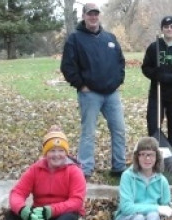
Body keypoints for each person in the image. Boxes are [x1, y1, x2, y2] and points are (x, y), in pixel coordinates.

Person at [0, 125, 86, 220]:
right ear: (46, 153)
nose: (56, 155)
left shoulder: (74, 171)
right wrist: (23, 210)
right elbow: (17, 193)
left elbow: (76, 201)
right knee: (14, 214)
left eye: (61, 151)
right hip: (38, 212)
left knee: (70, 217)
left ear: (66, 152)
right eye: (52, 151)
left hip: (60, 214)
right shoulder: (35, 169)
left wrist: (50, 210)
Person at [60, 2, 126, 179]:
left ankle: (119, 166)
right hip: (90, 94)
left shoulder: (110, 38)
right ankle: (85, 168)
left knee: (119, 129)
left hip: (111, 94)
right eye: (90, 14)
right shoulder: (75, 39)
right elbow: (67, 66)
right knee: (88, 132)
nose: (93, 17)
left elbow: (120, 61)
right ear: (84, 16)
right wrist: (81, 85)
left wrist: (118, 80)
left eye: (96, 13)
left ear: (99, 16)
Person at [141, 16, 172, 153]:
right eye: (166, 26)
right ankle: (154, 155)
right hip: (157, 94)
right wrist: (155, 74)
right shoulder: (154, 47)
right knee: (153, 126)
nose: (169, 29)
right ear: (162, 29)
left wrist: (168, 78)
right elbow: (145, 67)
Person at [113, 137, 172, 220]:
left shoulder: (162, 181)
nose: (147, 158)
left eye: (151, 155)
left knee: (153, 216)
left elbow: (166, 207)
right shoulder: (127, 176)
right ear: (137, 157)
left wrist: (168, 211)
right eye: (143, 154)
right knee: (139, 218)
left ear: (157, 157)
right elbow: (126, 208)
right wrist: (157, 208)